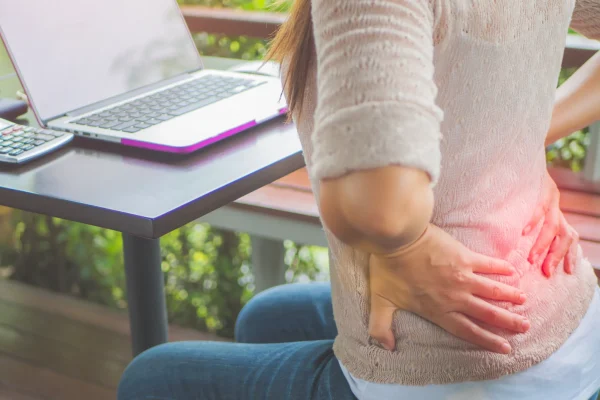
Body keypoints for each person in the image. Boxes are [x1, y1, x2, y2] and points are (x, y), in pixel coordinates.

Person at [117, 1, 600, 399]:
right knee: (266, 315)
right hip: (570, 330)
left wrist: (403, 248)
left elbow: (381, 209)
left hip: (467, 369)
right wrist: (522, 143)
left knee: (153, 378)